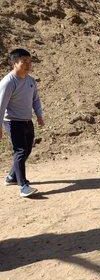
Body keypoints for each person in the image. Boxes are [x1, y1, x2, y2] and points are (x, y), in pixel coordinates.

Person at [0, 48, 44, 197]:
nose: (28, 64)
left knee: (27, 150)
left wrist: (39, 115)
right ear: (14, 63)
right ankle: (23, 186)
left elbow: (35, 99)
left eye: (29, 61)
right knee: (20, 151)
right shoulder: (8, 82)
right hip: (12, 122)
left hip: (26, 120)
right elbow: (1, 105)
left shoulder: (30, 80)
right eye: (24, 61)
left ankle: (12, 177)